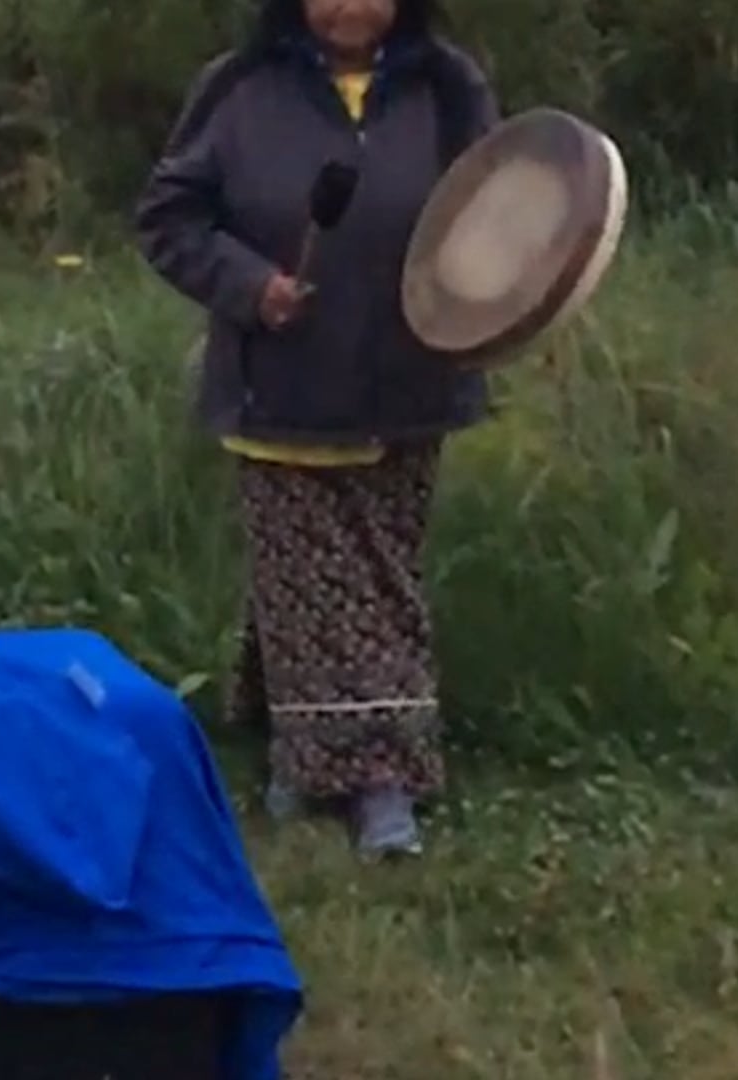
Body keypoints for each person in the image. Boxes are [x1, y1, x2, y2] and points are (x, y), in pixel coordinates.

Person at [133, 0, 500, 858]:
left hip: (408, 386)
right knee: (332, 585)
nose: (348, 3)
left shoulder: (449, 88)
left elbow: (503, 211)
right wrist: (251, 285)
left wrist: (499, 299)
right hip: (280, 387)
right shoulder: (237, 89)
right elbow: (169, 218)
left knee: (364, 581)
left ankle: (301, 751)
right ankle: (382, 781)